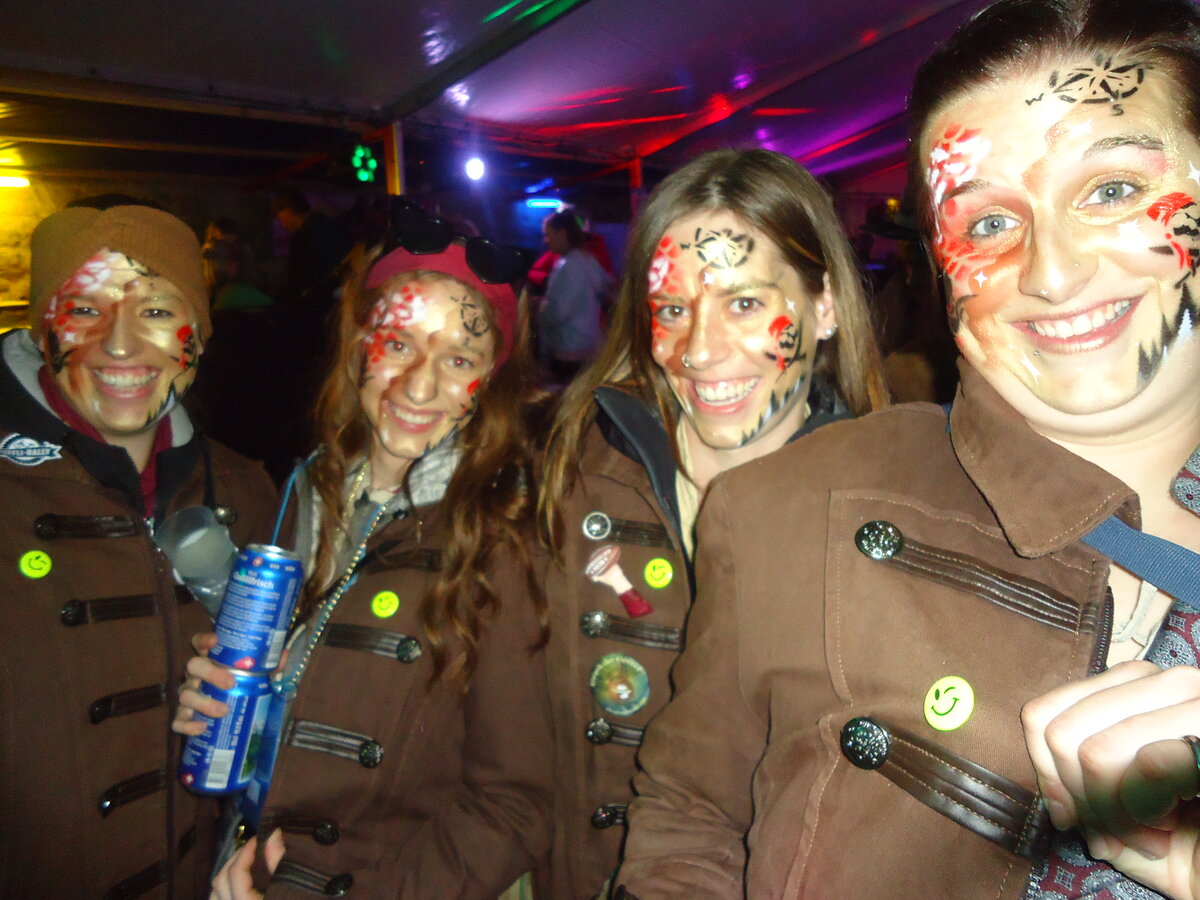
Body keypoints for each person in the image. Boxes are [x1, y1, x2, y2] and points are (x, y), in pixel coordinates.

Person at [615, 1, 1200, 898]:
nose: (1051, 272)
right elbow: (686, 821)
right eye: (988, 223)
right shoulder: (788, 507)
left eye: (1112, 190)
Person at [536, 148, 888, 899]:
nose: (698, 350)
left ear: (825, 306)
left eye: (744, 303)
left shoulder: (887, 523)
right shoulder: (571, 473)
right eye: (672, 310)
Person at [176, 214, 554, 897]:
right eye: (398, 343)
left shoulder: (504, 535)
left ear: (490, 378)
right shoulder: (309, 491)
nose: (418, 387)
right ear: (358, 347)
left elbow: (514, 805)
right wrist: (238, 702)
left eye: (459, 360)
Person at [0, 199, 276, 897]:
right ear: (42, 329)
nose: (120, 346)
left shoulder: (246, 491)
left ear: (198, 335)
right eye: (84, 310)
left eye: (155, 310)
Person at [538, 210, 614, 383]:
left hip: (569, 350)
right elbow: (608, 288)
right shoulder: (588, 260)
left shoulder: (568, 266)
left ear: (562, 234)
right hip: (590, 345)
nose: (546, 240)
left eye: (548, 235)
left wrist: (539, 308)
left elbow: (557, 312)